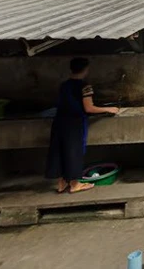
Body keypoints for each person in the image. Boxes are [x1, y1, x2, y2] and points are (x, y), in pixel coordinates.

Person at [45, 58, 119, 193]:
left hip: (60, 122)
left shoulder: (64, 85)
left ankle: (62, 183)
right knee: (74, 152)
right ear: (85, 69)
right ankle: (75, 184)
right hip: (74, 123)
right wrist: (108, 109)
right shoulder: (85, 87)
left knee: (61, 150)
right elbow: (89, 108)